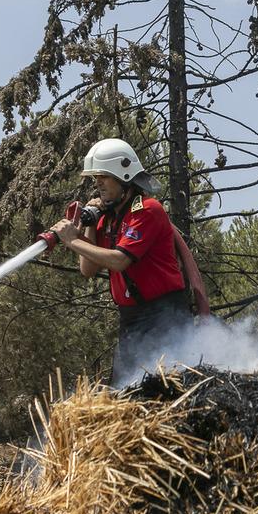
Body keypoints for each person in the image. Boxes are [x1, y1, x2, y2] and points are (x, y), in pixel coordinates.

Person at [48, 137, 207, 387]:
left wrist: (71, 241)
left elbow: (120, 261)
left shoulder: (146, 210)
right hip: (131, 321)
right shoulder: (108, 219)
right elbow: (87, 269)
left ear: (123, 176)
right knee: (124, 394)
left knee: (167, 392)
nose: (97, 183)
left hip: (163, 317)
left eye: (104, 176)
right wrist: (90, 225)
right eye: (95, 178)